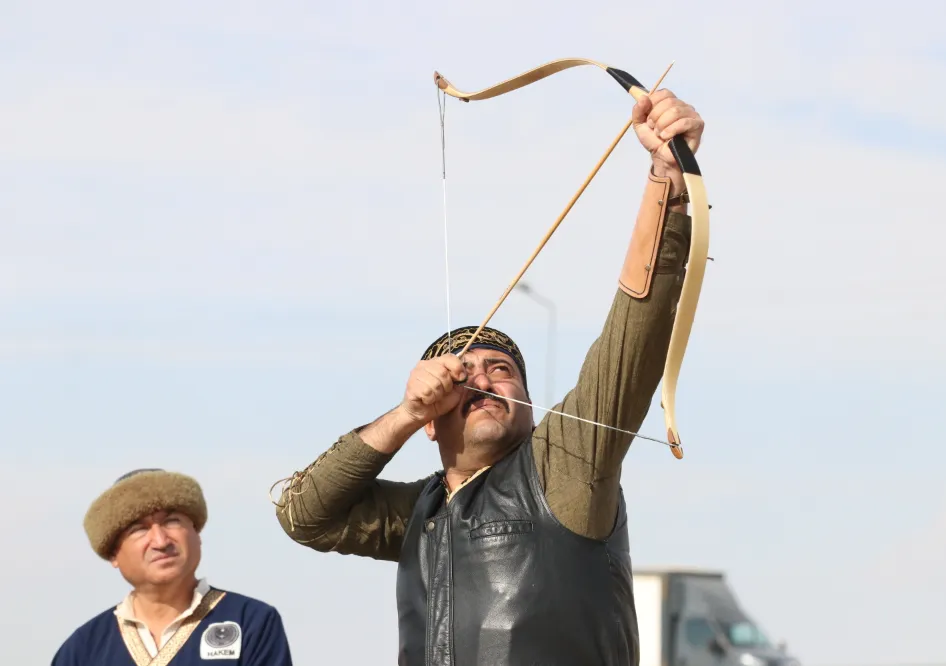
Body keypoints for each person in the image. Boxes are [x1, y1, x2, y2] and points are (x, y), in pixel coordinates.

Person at [273, 87, 705, 665]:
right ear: (432, 420)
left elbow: (631, 341)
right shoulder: (417, 515)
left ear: (528, 404)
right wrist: (404, 415)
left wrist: (668, 186)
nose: (480, 381)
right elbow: (304, 515)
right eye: (459, 375)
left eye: (501, 371)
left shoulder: (563, 468)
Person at [53, 468, 294, 665]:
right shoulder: (83, 649)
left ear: (196, 533)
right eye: (138, 529)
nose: (160, 541)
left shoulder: (251, 622)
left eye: (172, 521)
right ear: (113, 553)